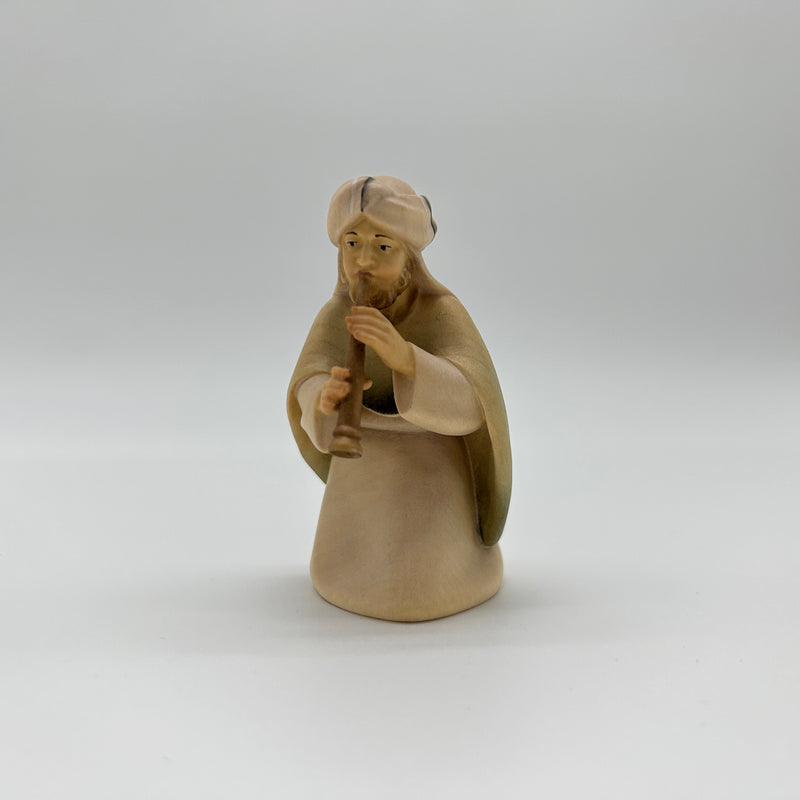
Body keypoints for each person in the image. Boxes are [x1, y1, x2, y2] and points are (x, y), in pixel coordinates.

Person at [287, 176, 511, 621]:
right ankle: (349, 570)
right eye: (352, 244)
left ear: (409, 256)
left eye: (383, 246)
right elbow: (306, 381)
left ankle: (450, 575)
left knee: (429, 578)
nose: (363, 262)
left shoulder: (441, 312)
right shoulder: (337, 314)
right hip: (360, 480)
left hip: (432, 473)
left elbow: (475, 401)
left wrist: (406, 359)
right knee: (352, 566)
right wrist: (323, 397)